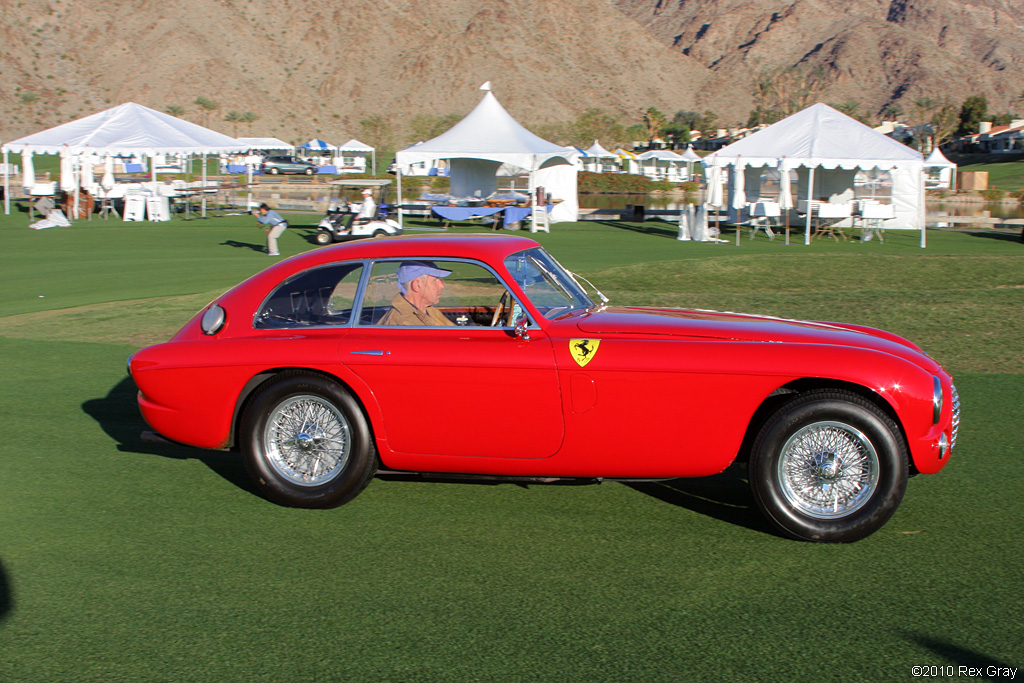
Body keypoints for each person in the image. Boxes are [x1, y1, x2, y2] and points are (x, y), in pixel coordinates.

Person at [378, 261, 454, 326]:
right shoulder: (400, 324)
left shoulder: (430, 310)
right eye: (435, 280)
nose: (441, 286)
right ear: (417, 285)